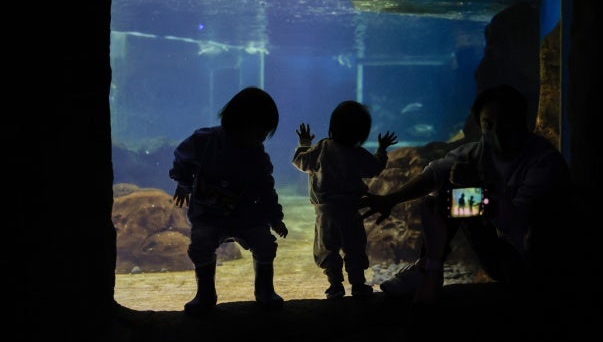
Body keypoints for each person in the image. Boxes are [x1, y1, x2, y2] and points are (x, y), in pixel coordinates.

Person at [359, 84, 574, 306]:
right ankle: (428, 266)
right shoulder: (475, 153)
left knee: (458, 195)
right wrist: (390, 199)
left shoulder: (543, 162)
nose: (496, 134)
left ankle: (431, 270)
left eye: (506, 124)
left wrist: (477, 186)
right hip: (500, 254)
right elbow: (433, 175)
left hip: (532, 261)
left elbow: (515, 224)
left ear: (523, 122)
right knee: (442, 198)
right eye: (488, 125)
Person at [169, 86, 289, 315]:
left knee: (265, 245)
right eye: (259, 133)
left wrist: (274, 217)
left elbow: (266, 187)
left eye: (264, 134)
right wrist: (183, 183)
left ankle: (265, 290)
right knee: (200, 247)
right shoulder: (205, 140)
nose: (261, 139)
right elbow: (182, 158)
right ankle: (205, 294)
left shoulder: (257, 155)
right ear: (240, 122)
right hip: (209, 214)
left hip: (248, 216)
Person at [292, 101, 397, 299]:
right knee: (354, 248)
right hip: (351, 211)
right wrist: (382, 149)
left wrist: (304, 144)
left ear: (332, 127)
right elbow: (375, 168)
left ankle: (335, 285)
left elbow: (301, 162)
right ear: (361, 134)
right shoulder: (357, 153)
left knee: (326, 249)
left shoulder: (323, 146)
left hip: (326, 213)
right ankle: (358, 284)